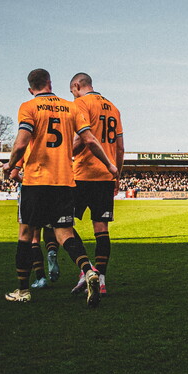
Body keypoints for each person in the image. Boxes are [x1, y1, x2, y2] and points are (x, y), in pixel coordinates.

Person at [2, 68, 118, 305]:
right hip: (64, 182)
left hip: (36, 181)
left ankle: (23, 290)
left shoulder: (29, 107)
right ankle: (89, 271)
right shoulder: (70, 107)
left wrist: (10, 165)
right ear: (50, 83)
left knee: (26, 234)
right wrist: (109, 164)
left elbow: (22, 143)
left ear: (30, 89)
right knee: (64, 233)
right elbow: (89, 140)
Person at [68, 72, 124, 296]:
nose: (72, 95)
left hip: (82, 174)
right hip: (106, 176)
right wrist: (117, 175)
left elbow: (83, 138)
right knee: (102, 229)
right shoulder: (113, 108)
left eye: (72, 91)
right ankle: (101, 281)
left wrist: (64, 154)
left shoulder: (80, 103)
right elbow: (120, 147)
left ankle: (86, 269)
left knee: (60, 224)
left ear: (76, 85)